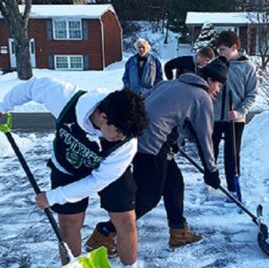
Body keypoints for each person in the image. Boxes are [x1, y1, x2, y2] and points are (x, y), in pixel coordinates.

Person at [0, 77, 160, 268]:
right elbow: (34, 86)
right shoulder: (67, 99)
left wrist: (53, 196)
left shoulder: (125, 144)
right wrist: (2, 106)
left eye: (126, 135)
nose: (121, 138)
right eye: (119, 132)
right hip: (67, 168)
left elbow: (96, 182)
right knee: (68, 224)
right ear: (103, 117)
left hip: (107, 173)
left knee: (126, 221)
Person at [85, 57, 228, 253]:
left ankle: (179, 232)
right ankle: (104, 233)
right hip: (151, 147)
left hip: (137, 139)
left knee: (174, 182)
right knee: (147, 198)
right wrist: (211, 170)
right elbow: (205, 137)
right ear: (209, 80)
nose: (218, 89)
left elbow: (145, 102)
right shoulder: (201, 97)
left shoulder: (171, 83)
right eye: (218, 84)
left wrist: (170, 136)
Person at [212, 31, 257, 197]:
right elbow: (202, 85)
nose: (220, 53)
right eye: (218, 49)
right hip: (215, 117)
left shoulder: (247, 67)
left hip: (235, 119)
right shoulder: (215, 63)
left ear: (234, 47)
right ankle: (210, 181)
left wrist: (239, 112)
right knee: (211, 151)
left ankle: (232, 186)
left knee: (232, 154)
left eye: (223, 49)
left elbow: (251, 94)